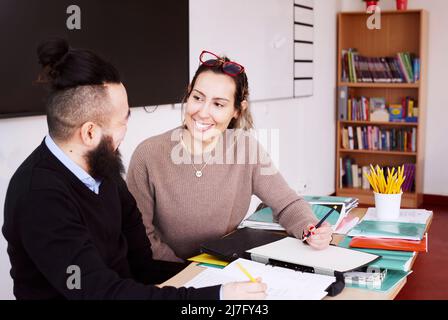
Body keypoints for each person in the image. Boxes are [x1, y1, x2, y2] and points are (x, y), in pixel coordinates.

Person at [2, 40, 266, 300]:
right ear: (90, 133)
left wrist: (219, 278)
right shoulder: (38, 196)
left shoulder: (104, 172)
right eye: (123, 121)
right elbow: (102, 293)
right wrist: (217, 298)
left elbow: (143, 266)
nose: (126, 131)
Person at [126, 50, 333, 263]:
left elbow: (287, 204)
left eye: (218, 104)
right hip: (167, 277)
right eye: (198, 98)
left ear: (237, 110)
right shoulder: (148, 155)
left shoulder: (246, 149)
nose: (203, 112)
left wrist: (310, 228)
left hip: (224, 266)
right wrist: (188, 275)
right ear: (188, 95)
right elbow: (141, 238)